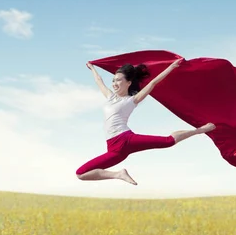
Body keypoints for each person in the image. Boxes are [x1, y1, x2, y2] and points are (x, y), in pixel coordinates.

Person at [77, 58, 216, 185]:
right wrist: (92, 68)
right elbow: (99, 81)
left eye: (118, 80)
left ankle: (200, 130)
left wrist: (172, 67)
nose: (114, 83)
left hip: (125, 139)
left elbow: (153, 83)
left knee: (168, 141)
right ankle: (119, 174)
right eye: (113, 80)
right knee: (81, 174)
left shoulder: (131, 100)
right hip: (113, 149)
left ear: (128, 83)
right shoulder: (110, 97)